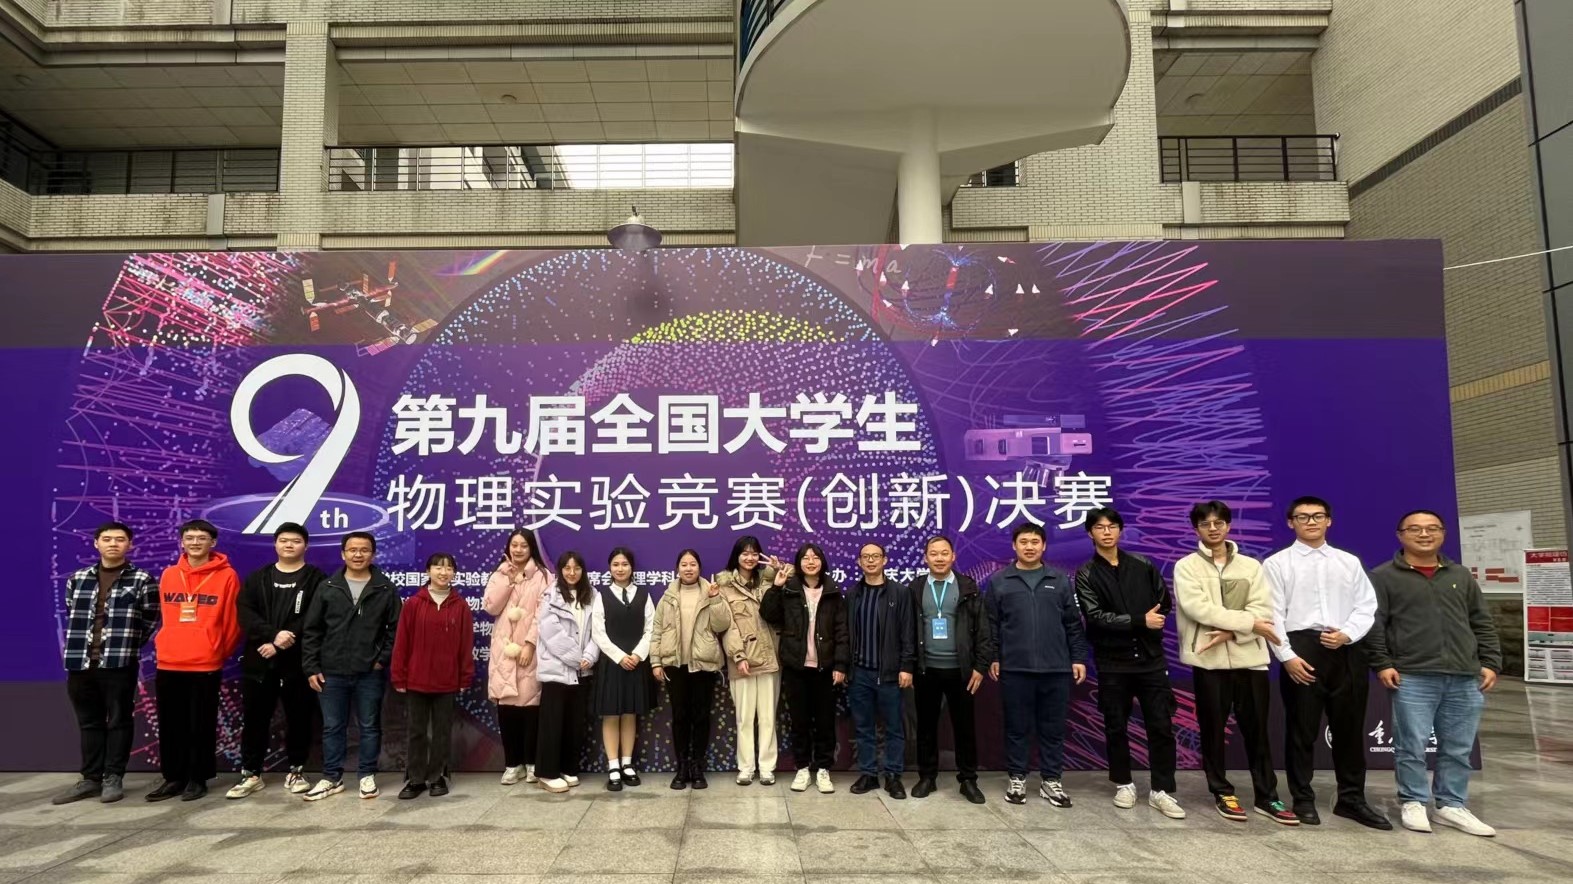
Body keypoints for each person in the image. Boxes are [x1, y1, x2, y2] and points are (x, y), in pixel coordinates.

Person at [1367, 510, 1503, 837]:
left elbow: (1481, 620)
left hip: (1464, 675)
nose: (1424, 534)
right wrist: (1382, 663)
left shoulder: (1460, 575)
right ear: (1400, 535)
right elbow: (1374, 625)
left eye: (1432, 528)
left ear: (1442, 533)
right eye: (1415, 529)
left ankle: (1450, 805)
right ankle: (1413, 800)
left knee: (1457, 746)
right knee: (1411, 745)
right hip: (1412, 674)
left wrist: (1490, 661)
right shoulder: (1383, 576)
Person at [1263, 497, 1391, 829]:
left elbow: (1367, 605)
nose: (1311, 522)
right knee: (1301, 731)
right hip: (1302, 650)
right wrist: (1287, 657)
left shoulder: (1348, 562)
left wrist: (1347, 634)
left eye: (1318, 516)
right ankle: (1303, 799)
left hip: (1346, 649)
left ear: (1329, 521)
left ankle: (1351, 799)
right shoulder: (1277, 564)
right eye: (1303, 517)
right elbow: (1272, 614)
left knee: (1350, 731)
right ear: (1290, 522)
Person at [1172, 501, 1298, 825]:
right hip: (1208, 659)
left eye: (1219, 522)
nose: (1213, 529)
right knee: (1212, 730)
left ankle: (1267, 796)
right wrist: (1248, 624)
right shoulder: (1186, 567)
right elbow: (1198, 608)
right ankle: (1221, 791)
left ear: (1228, 526)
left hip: (1251, 659)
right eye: (1205, 524)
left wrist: (1234, 631)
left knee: (1258, 731)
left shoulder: (1251, 566)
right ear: (1196, 529)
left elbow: (1263, 609)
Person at [1074, 507, 1185, 820]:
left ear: (1120, 530)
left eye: (1112, 526)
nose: (1107, 532)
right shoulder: (1086, 573)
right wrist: (1138, 620)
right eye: (1100, 527)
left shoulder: (1143, 564)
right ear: (1090, 533)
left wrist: (1145, 620)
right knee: (1115, 726)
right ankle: (1124, 784)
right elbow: (1095, 616)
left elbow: (1164, 603)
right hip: (1113, 662)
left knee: (1161, 726)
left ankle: (1162, 790)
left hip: (1150, 660)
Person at [52, 522, 159, 805]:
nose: (113, 544)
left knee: (119, 720)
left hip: (119, 662)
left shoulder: (142, 579)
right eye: (107, 539)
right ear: (96, 543)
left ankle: (113, 777)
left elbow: (151, 618)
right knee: (89, 722)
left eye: (120, 539)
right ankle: (90, 778)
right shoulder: (78, 578)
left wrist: (127, 645)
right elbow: (72, 611)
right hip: (80, 662)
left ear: (129, 545)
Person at [987, 522, 1087, 807]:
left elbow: (1073, 624)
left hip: (1056, 668)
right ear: (1014, 546)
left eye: (1034, 542)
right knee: (1016, 727)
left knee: (1052, 728)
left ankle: (1051, 780)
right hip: (1015, 668)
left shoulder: (1059, 579)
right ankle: (1017, 778)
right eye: (1023, 542)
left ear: (1043, 546)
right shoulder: (1000, 580)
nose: (1029, 547)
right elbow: (991, 624)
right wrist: (994, 657)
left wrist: (1078, 658)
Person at [301, 531, 402, 802]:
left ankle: (367, 775)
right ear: (343, 553)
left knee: (369, 726)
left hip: (369, 672)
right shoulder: (328, 587)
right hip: (331, 671)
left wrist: (381, 660)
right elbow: (312, 630)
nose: (358, 555)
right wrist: (311, 667)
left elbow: (395, 630)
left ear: (373, 554)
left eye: (364, 550)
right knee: (332, 727)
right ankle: (331, 777)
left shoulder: (385, 588)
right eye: (353, 550)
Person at [227, 522, 325, 800]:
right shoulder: (258, 577)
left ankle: (296, 770)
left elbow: (316, 616)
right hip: (259, 660)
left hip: (298, 663)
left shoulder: (316, 578)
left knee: (299, 718)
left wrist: (283, 640)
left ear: (305, 545)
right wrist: (272, 636)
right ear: (275, 544)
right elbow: (245, 613)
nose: (289, 545)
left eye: (295, 541)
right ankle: (251, 773)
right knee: (255, 718)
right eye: (283, 540)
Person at [146, 519, 242, 803]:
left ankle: (198, 778)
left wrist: (216, 651)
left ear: (213, 543)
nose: (195, 542)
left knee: (201, 724)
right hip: (169, 661)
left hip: (205, 663)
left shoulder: (227, 576)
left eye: (202, 538)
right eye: (190, 538)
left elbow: (232, 622)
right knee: (170, 723)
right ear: (182, 542)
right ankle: (173, 777)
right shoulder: (169, 574)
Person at [906, 535, 992, 805]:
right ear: (925, 558)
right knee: (926, 727)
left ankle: (968, 780)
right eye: (934, 553)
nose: (939, 558)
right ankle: (927, 777)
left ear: (953, 556)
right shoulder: (916, 588)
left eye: (944, 553)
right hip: (926, 669)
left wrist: (980, 666)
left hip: (961, 670)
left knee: (965, 727)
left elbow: (983, 630)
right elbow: (908, 630)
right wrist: (908, 665)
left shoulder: (968, 586)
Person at [760, 543, 848, 795]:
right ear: (798, 563)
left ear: (822, 562)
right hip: (796, 667)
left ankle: (823, 769)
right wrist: (776, 587)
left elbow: (842, 632)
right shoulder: (789, 589)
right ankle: (802, 768)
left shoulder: (832, 592)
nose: (810, 561)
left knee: (824, 722)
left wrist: (840, 664)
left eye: (815, 557)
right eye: (805, 558)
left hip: (825, 669)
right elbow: (768, 614)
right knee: (799, 722)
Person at [392, 552, 475, 799]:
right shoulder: (413, 604)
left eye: (449, 568)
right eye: (438, 567)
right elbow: (402, 642)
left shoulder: (460, 606)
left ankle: (437, 776)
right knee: (416, 731)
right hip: (416, 679)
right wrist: (399, 675)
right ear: (428, 571)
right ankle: (415, 779)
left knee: (442, 731)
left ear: (454, 573)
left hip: (447, 680)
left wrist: (465, 677)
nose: (443, 572)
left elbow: (466, 645)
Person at [651, 548, 729, 790]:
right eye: (684, 564)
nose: (688, 568)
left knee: (701, 716)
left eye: (692, 564)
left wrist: (715, 599)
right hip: (675, 666)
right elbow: (657, 630)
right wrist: (656, 661)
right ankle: (682, 766)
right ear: (677, 568)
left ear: (699, 568)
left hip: (703, 665)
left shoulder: (710, 592)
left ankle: (697, 767)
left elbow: (722, 625)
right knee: (680, 717)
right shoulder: (668, 597)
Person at [845, 541, 916, 799]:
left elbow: (908, 632)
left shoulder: (900, 593)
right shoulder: (853, 594)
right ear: (859, 562)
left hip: (890, 674)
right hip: (859, 673)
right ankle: (869, 774)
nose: (871, 560)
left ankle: (893, 776)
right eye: (866, 557)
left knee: (894, 727)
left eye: (876, 556)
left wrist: (906, 666)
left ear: (885, 560)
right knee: (863, 727)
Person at [482, 529, 551, 785]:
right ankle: (512, 764)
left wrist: (530, 644)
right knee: (507, 709)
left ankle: (532, 763)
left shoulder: (544, 576)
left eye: (524, 545)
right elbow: (491, 607)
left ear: (532, 548)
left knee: (531, 708)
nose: (518, 550)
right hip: (504, 651)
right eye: (514, 545)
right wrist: (509, 582)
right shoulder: (499, 574)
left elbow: (543, 614)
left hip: (531, 650)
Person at [714, 536, 782, 786]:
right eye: (745, 553)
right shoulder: (724, 586)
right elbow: (727, 627)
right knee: (744, 719)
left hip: (770, 659)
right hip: (741, 661)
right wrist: (738, 656)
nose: (750, 558)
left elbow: (797, 573)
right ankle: (745, 768)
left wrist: (776, 568)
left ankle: (767, 767)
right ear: (737, 556)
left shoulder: (769, 580)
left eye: (755, 553)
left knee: (768, 718)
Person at [535, 551, 600, 793]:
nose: (572, 573)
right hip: (557, 670)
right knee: (552, 723)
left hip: (583, 671)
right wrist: (576, 658)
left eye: (577, 568)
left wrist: (590, 656)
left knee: (575, 723)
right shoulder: (550, 595)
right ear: (560, 571)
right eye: (567, 568)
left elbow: (598, 631)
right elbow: (551, 633)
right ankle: (547, 773)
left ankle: (568, 768)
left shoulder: (593, 595)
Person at [590, 547, 655, 791]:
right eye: (616, 564)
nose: (620, 569)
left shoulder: (644, 595)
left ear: (632, 567)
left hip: (636, 663)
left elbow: (651, 628)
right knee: (611, 714)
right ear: (610, 568)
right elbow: (598, 632)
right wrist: (620, 657)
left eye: (624, 564)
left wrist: (637, 655)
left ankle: (627, 763)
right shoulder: (602, 596)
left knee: (630, 713)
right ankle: (613, 765)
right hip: (612, 664)